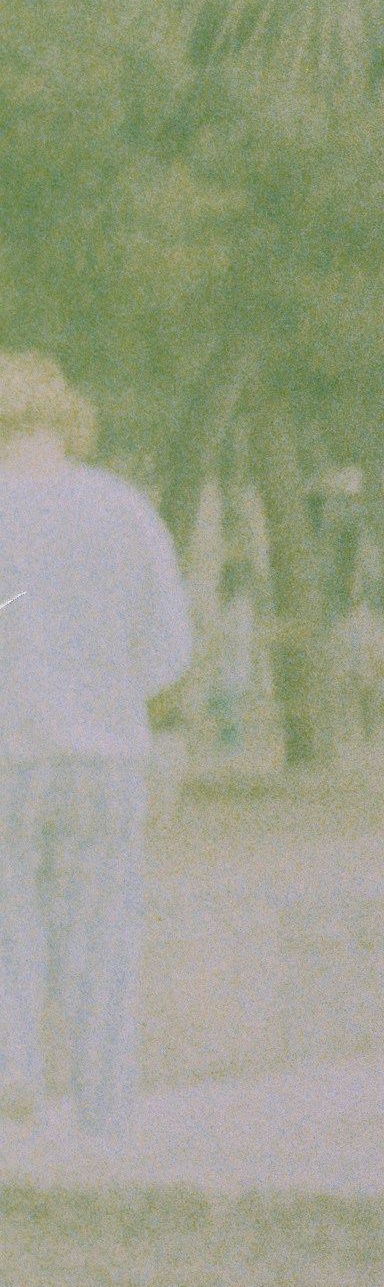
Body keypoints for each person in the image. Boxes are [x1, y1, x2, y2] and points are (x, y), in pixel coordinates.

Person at [0, 356, 194, 1140]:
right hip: (105, 758)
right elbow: (169, 646)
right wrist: (109, 693)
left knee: (8, 918)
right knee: (102, 936)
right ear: (66, 420)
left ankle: (12, 1060)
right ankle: (103, 1109)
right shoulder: (122, 510)